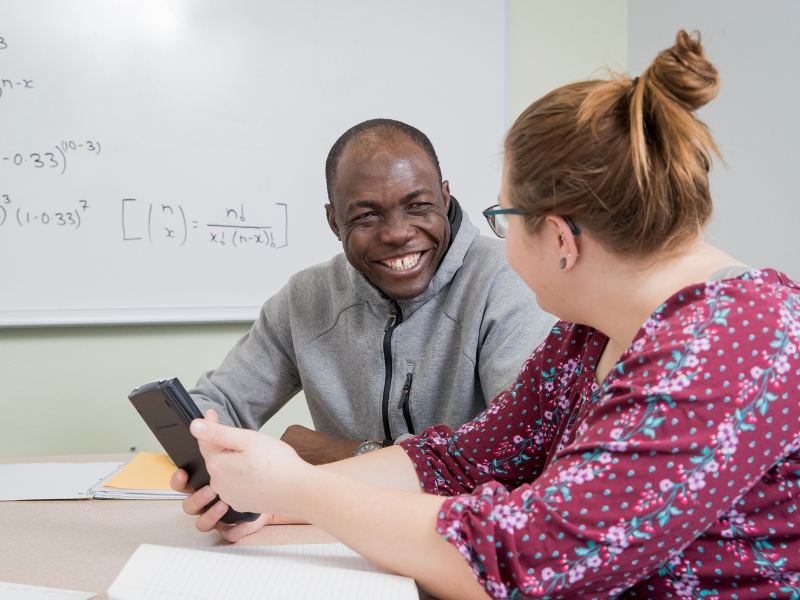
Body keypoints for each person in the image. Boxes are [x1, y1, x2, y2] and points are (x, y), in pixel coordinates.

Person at [174, 31, 800, 599]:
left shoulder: (733, 343)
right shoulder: (588, 337)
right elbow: (459, 462)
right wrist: (276, 501)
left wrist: (303, 488)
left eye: (502, 218)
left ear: (560, 239)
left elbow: (526, 562)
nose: (492, 238)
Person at [189, 122, 554, 459]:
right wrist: (214, 465)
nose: (397, 233)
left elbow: (518, 450)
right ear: (335, 221)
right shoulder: (306, 299)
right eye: (367, 216)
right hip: (331, 526)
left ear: (445, 199)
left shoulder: (507, 282)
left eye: (418, 206)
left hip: (457, 527)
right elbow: (214, 406)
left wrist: (350, 455)